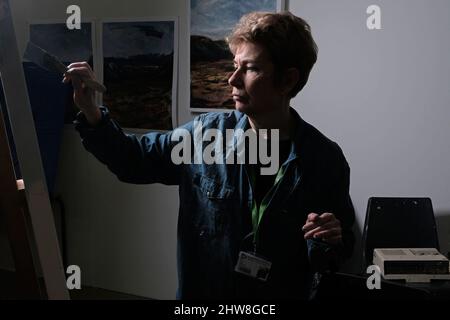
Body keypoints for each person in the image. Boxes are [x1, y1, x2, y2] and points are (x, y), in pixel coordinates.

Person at [63, 11, 355, 300]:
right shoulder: (203, 137)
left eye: (250, 68)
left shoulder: (324, 160)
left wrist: (333, 237)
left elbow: (338, 252)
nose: (232, 79)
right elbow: (132, 161)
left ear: (288, 80)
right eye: (234, 65)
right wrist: (90, 111)